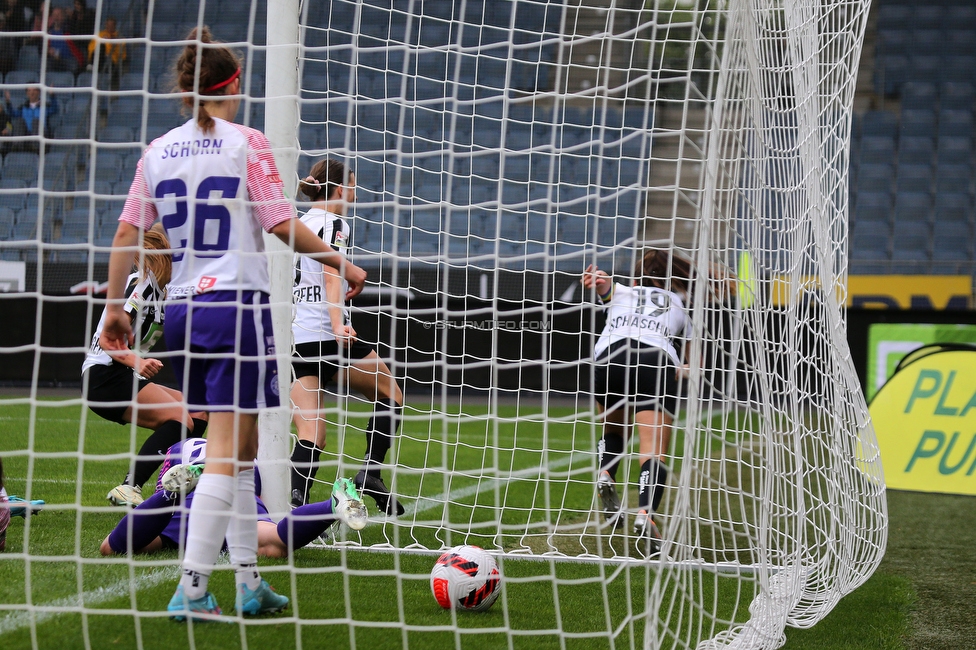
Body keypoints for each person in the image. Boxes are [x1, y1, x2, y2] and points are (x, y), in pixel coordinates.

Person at [99, 26, 367, 622]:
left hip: (183, 313)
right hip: (236, 309)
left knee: (240, 451)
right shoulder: (247, 143)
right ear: (234, 85)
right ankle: (192, 589)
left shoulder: (158, 149)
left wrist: (117, 307)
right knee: (226, 452)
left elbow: (125, 233)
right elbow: (278, 223)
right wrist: (341, 262)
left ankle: (249, 584)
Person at [290, 158, 405, 515]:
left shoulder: (295, 224)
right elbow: (331, 272)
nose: (354, 193)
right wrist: (338, 322)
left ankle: (293, 505)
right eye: (352, 186)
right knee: (391, 393)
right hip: (326, 333)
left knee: (313, 433)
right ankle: (370, 472)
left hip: (296, 337)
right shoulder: (333, 222)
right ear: (339, 189)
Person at [83, 225, 207, 507]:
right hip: (105, 375)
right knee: (180, 418)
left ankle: (179, 482)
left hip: (121, 372)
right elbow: (107, 339)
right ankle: (130, 486)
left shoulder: (164, 291)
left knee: (199, 410)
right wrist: (137, 360)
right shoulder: (140, 284)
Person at [581, 250, 696, 553]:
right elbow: (693, 361)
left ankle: (606, 472)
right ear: (677, 279)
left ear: (637, 277)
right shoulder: (681, 304)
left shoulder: (624, 290)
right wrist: (683, 369)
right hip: (654, 360)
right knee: (652, 449)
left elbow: (604, 287)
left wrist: (601, 281)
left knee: (614, 431)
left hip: (609, 358)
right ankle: (646, 514)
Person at [99, 438, 368, 560]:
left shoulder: (179, 447)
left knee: (117, 547)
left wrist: (164, 495)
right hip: (243, 477)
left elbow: (113, 547)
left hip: (194, 489)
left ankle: (170, 496)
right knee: (273, 544)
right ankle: (333, 504)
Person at [87, 16, 125, 89]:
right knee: (101, 46)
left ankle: (93, 65)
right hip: (99, 58)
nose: (109, 27)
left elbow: (121, 55)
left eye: (111, 25)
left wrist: (111, 42)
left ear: (115, 26)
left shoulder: (119, 37)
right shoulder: (99, 35)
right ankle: (92, 64)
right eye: (108, 25)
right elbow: (91, 47)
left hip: (111, 61)